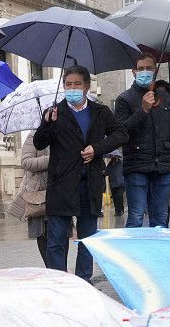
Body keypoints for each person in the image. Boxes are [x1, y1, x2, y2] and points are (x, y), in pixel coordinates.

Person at [33, 65, 128, 281]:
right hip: (61, 185)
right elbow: (39, 142)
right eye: (68, 84)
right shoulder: (55, 112)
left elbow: (121, 134)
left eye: (77, 84)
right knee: (56, 239)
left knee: (87, 239)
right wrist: (48, 123)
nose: (72, 88)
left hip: (89, 183)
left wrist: (98, 148)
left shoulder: (100, 112)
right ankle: (59, 281)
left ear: (86, 87)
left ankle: (84, 281)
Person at [114, 54, 170, 228]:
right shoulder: (124, 99)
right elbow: (121, 132)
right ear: (134, 72)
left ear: (154, 71)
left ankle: (157, 254)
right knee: (136, 216)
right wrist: (142, 110)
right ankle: (134, 255)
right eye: (140, 69)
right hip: (136, 166)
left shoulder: (165, 97)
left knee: (161, 217)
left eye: (148, 68)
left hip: (163, 167)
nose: (144, 72)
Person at [9, 137, 50, 266]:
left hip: (60, 191)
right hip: (36, 194)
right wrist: (52, 159)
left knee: (62, 233)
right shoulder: (34, 135)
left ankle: (60, 269)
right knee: (42, 233)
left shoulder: (65, 132)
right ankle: (51, 269)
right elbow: (26, 162)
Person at [105, 149, 125, 217]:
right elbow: (106, 172)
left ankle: (121, 210)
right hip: (113, 184)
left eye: (113, 156)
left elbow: (125, 171)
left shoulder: (121, 163)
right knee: (115, 198)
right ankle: (117, 211)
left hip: (121, 183)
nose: (112, 157)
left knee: (119, 196)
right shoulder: (110, 164)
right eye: (111, 156)